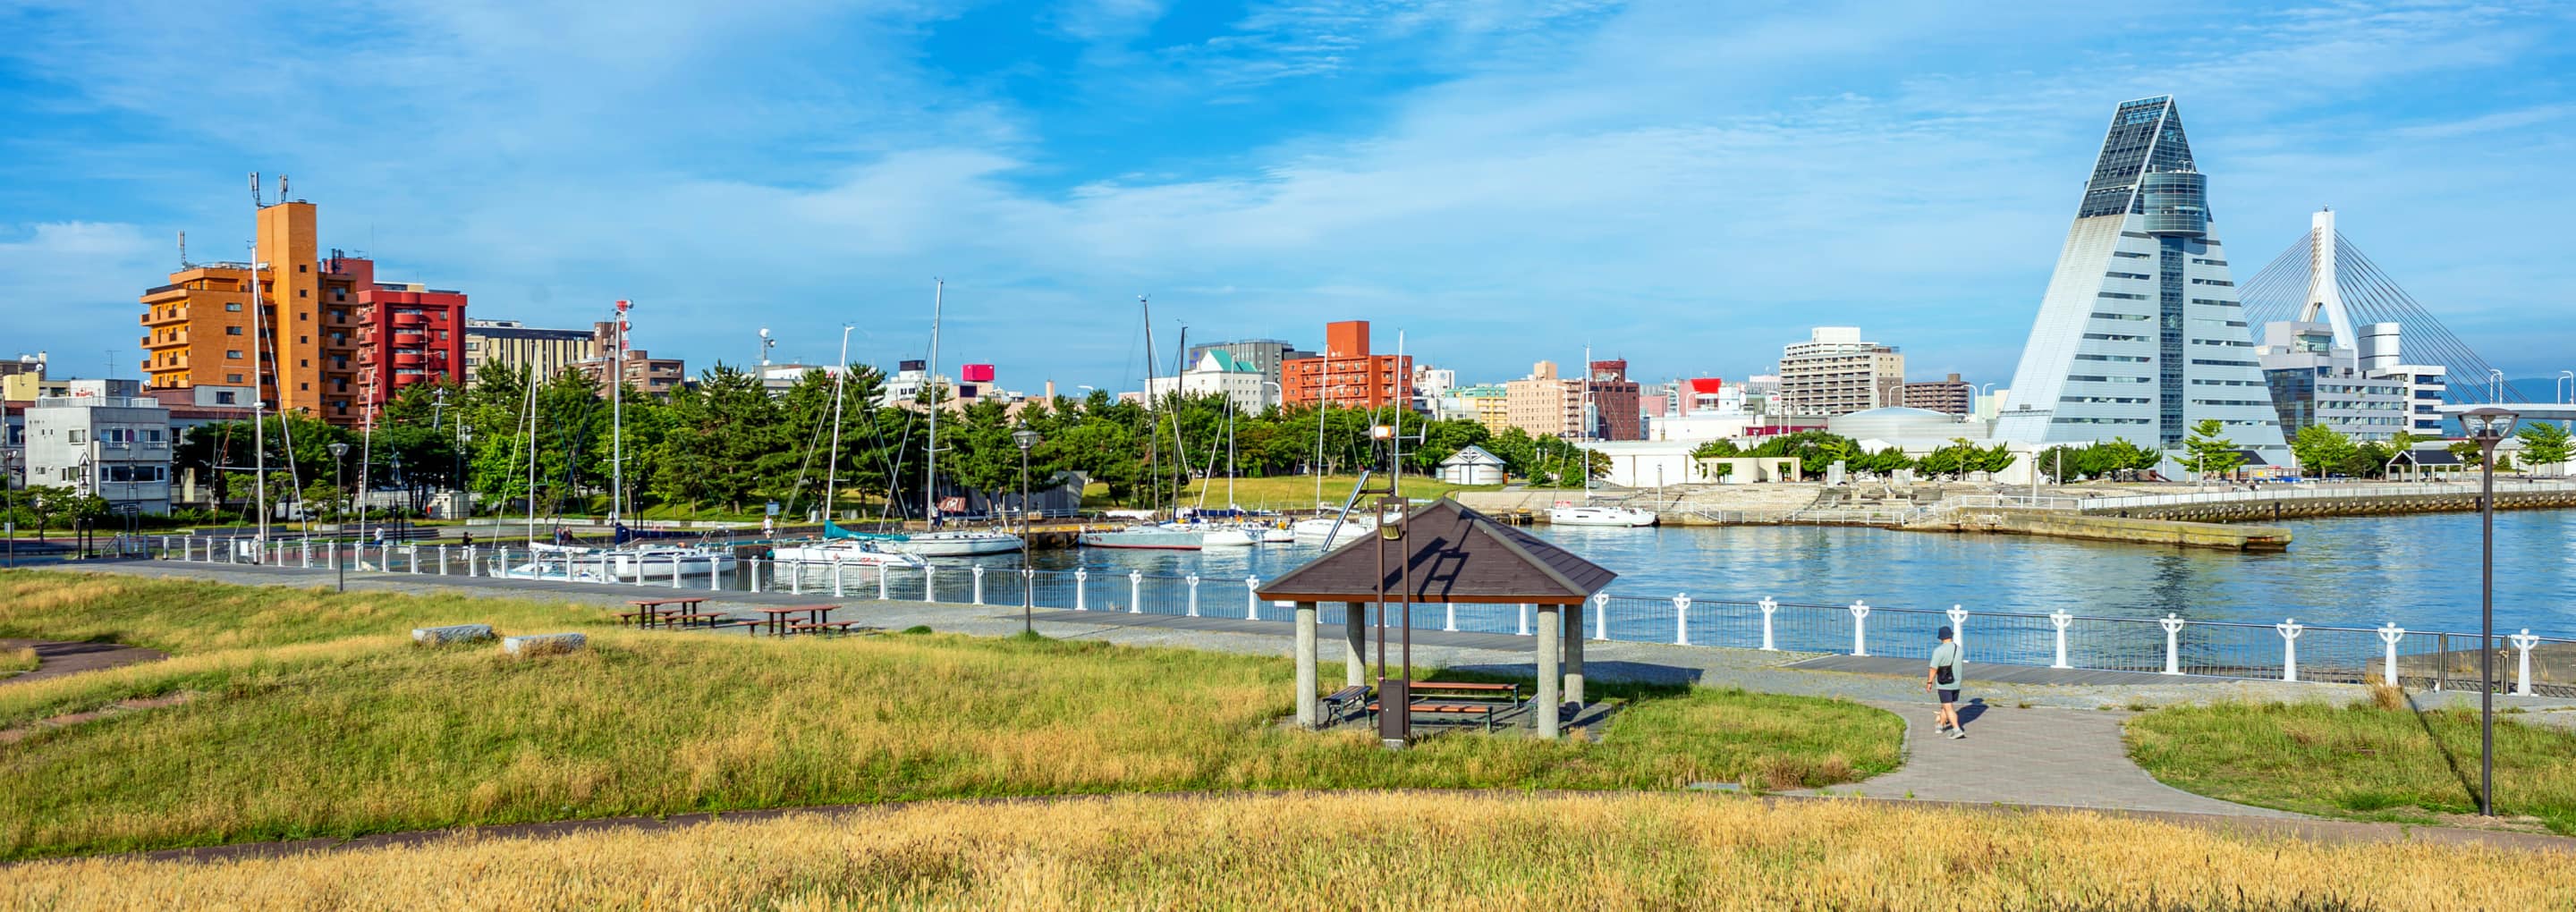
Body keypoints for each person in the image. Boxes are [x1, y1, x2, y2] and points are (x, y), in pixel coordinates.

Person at [1926, 626, 1965, 739]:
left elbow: (1933, 668)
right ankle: (1941, 725)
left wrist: (1929, 682)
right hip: (1956, 682)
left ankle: (1957, 729)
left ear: (1940, 638)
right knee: (1945, 704)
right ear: (1950, 636)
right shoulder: (1959, 649)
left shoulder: (1939, 651)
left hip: (1944, 683)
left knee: (1948, 707)